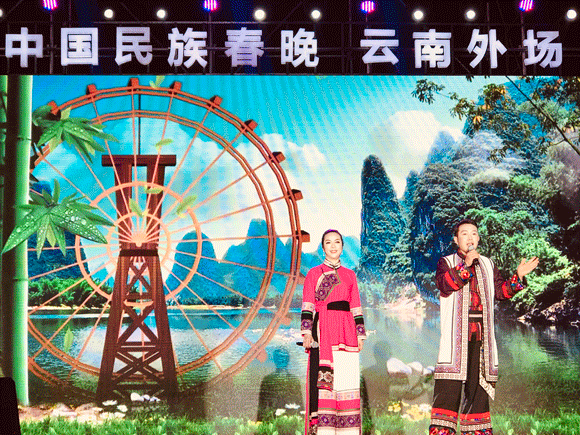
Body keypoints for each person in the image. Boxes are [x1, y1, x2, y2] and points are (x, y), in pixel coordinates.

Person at [429, 218, 539, 435]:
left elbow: (501, 292)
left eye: (473, 233)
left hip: (481, 336)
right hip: (455, 338)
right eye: (464, 234)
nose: (470, 238)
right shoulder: (447, 262)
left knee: (478, 389)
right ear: (456, 239)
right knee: (448, 388)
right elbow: (445, 284)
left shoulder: (488, 264)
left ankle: (475, 431)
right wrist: (466, 265)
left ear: (478, 238)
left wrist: (518, 276)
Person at [301, 229, 366, 435]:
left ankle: (347, 430)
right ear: (323, 248)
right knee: (325, 381)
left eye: (337, 242)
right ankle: (324, 429)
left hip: (347, 332)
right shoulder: (314, 273)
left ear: (342, 247)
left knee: (346, 378)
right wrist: (307, 333)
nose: (333, 246)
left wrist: (360, 334)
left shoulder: (350, 275)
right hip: (324, 330)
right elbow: (308, 305)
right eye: (328, 242)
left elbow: (356, 305)